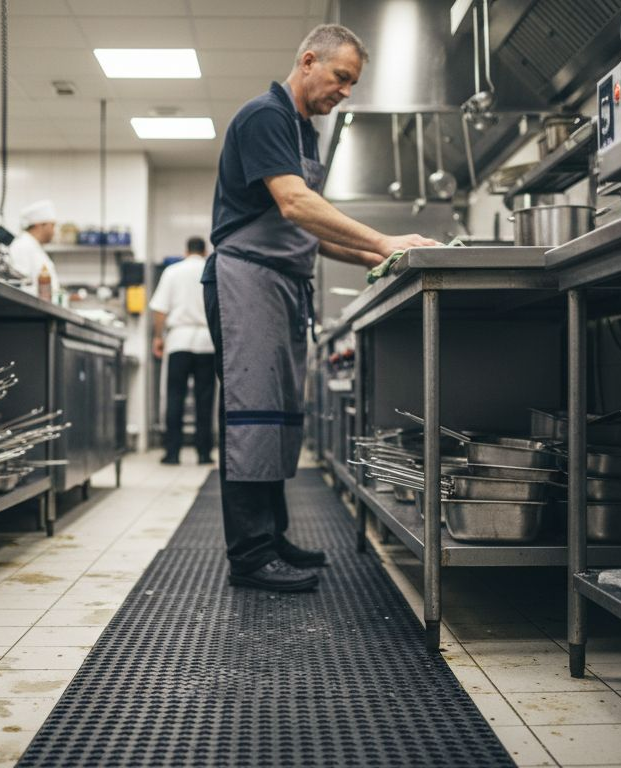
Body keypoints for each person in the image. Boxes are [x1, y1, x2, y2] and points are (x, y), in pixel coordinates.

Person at [204, 24, 438, 592]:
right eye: (341, 78)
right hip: (246, 280)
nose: (346, 92)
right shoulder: (264, 115)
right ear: (308, 61)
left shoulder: (302, 131)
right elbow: (294, 204)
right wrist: (382, 241)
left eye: (353, 83)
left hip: (281, 281)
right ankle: (250, 555)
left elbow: (308, 232)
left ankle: (272, 534)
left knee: (279, 416)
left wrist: (378, 255)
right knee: (251, 416)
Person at [150, 237, 217, 466]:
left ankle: (172, 452)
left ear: (186, 250)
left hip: (179, 339)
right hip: (207, 341)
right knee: (205, 399)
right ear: (205, 251)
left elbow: (160, 309)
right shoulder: (212, 269)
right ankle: (204, 453)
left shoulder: (173, 271)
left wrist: (158, 337)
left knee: (175, 396)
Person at [10, 200, 61, 298]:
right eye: (52, 225)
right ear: (40, 225)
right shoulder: (22, 246)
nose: (54, 231)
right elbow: (21, 288)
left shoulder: (33, 245)